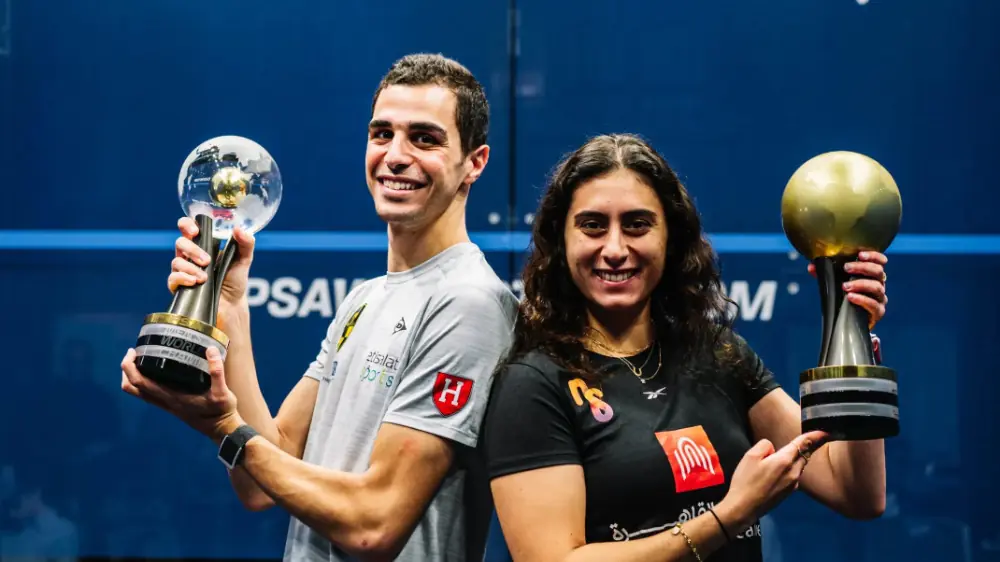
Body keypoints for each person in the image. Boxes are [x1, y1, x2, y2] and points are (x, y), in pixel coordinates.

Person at [120, 53, 519, 562]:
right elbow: (263, 476)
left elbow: (374, 525)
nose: (395, 156)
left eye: (425, 138)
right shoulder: (366, 297)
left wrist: (223, 427)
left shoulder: (470, 303)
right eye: (382, 134)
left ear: (475, 163)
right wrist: (232, 307)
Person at [482, 134, 890, 561]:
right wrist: (728, 517)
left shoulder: (717, 352)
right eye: (592, 226)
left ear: (670, 238)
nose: (616, 249)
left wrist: (853, 330)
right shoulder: (533, 384)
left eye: (638, 224)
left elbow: (855, 492)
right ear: (561, 241)